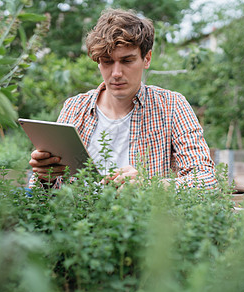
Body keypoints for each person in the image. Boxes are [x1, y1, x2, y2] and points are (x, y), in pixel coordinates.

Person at [29, 8, 216, 189]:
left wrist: (150, 187)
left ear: (147, 59)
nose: (116, 73)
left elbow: (206, 180)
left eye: (127, 61)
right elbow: (43, 191)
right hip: (79, 219)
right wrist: (45, 177)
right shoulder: (75, 107)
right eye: (107, 61)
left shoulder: (172, 106)